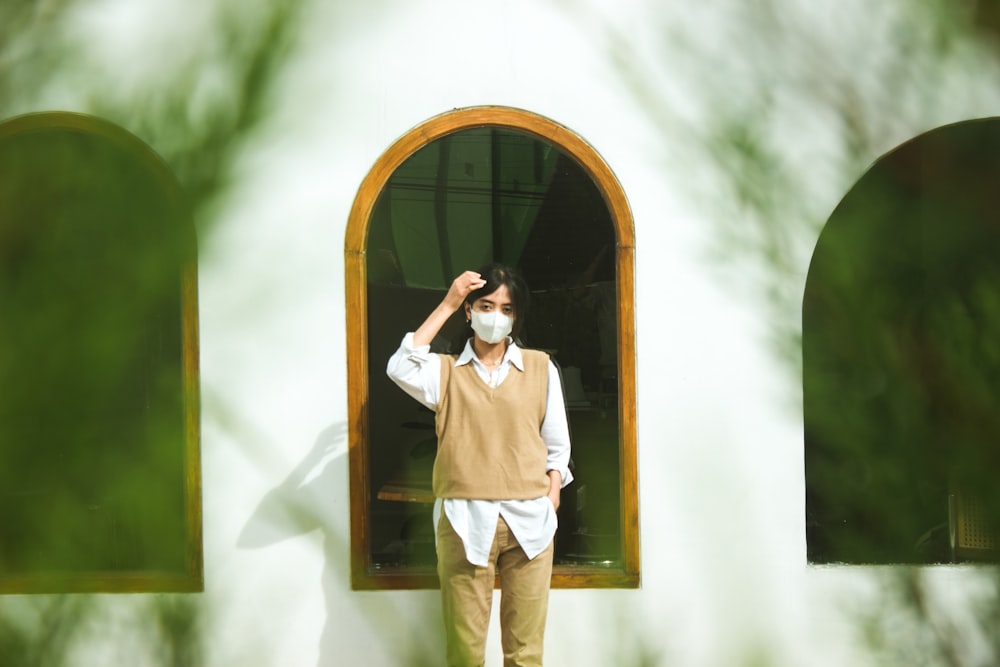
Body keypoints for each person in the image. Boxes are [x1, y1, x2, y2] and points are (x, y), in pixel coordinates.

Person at [386, 263, 573, 667]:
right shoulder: (444, 372)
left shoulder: (541, 367)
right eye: (486, 306)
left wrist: (552, 492)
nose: (496, 317)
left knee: (526, 655)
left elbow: (557, 446)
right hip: (464, 522)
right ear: (469, 311)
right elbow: (400, 365)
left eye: (507, 309)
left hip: (530, 525)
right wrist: (449, 301)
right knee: (465, 655)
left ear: (517, 316)